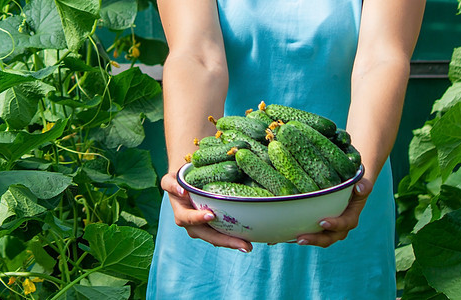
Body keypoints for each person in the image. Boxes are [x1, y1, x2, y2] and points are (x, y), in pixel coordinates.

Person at [148, 0, 426, 298]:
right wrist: (190, 184)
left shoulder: (348, 188)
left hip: (344, 198)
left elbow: (381, 57)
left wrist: (350, 185)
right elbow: (196, 55)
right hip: (221, 204)